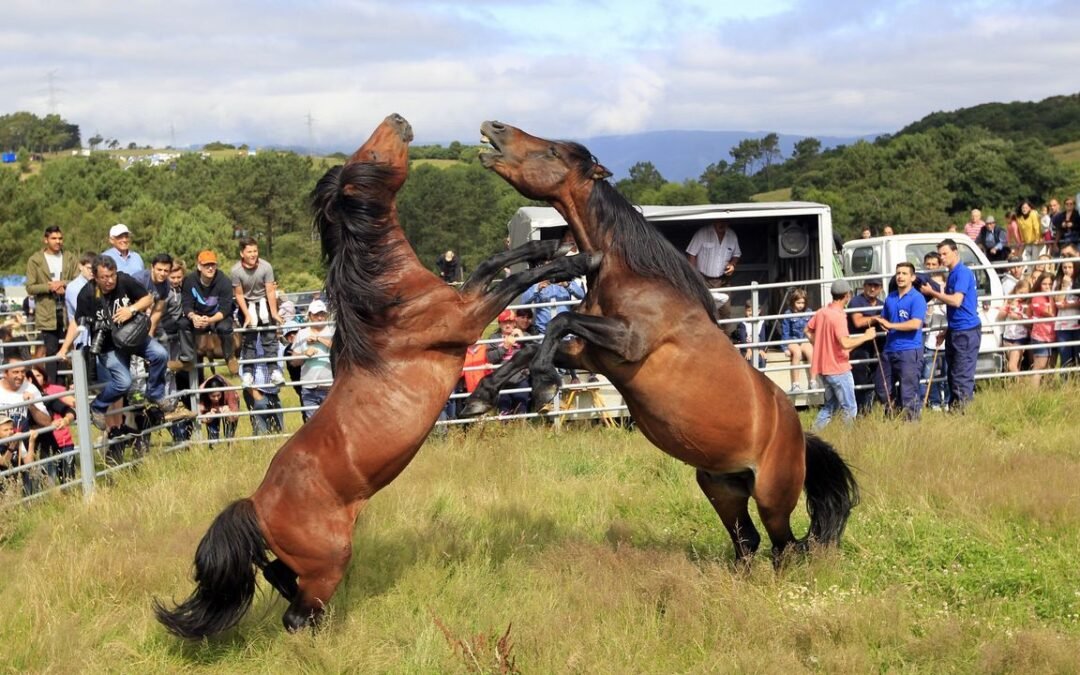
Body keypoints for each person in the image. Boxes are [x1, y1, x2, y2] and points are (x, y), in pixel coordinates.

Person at [57, 255, 174, 430]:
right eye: (104, 277)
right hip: (108, 345)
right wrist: (64, 348)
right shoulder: (87, 294)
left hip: (133, 335)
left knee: (160, 354)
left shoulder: (124, 280)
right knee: (123, 383)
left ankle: (155, 393)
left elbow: (147, 298)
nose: (110, 280)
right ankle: (98, 406)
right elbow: (77, 321)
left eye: (112, 275)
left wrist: (131, 309)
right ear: (95, 277)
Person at [804, 279, 877, 430]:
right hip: (838, 368)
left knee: (830, 406)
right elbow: (845, 343)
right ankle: (847, 439)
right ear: (847, 295)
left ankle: (812, 435)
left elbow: (807, 330)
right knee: (850, 408)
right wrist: (866, 336)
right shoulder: (838, 316)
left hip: (824, 368)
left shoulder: (822, 312)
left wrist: (820, 346)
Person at [921, 239, 982, 411]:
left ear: (956, 252)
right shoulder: (953, 273)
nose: (942, 257)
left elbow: (956, 301)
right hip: (956, 329)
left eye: (945, 253)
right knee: (953, 374)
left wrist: (932, 292)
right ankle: (956, 410)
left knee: (961, 375)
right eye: (940, 254)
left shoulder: (962, 273)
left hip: (966, 331)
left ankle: (963, 412)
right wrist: (947, 330)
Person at [26, 225, 80, 382]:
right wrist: (49, 287)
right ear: (45, 240)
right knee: (50, 350)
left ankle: (64, 385)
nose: (58, 241)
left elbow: (78, 280)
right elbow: (30, 287)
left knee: (66, 348)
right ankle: (51, 386)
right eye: (54, 238)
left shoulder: (70, 257)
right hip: (46, 312)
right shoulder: (35, 260)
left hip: (67, 311)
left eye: (60, 238)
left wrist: (64, 284)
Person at [874, 263, 927, 420]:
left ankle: (911, 426)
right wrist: (881, 322)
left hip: (909, 350)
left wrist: (891, 325)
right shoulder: (890, 297)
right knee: (882, 387)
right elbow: (885, 318)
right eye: (898, 273)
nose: (900, 276)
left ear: (912, 277)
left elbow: (915, 323)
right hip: (890, 349)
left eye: (904, 273)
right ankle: (893, 417)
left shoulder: (917, 298)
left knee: (908, 392)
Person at [231, 238, 284, 388]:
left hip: (264, 302)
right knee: (249, 340)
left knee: (269, 337)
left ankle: (274, 371)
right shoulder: (236, 271)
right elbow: (239, 295)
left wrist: (274, 312)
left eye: (255, 251)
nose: (253, 254)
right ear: (242, 253)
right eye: (249, 251)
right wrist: (246, 314)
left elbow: (270, 290)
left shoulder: (266, 267)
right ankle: (247, 373)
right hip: (247, 305)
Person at [180, 250, 238, 374]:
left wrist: (210, 320)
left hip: (218, 316)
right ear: (199, 266)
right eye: (206, 265)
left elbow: (225, 308)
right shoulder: (190, 281)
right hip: (198, 315)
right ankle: (187, 358)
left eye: (213, 265)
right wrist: (193, 316)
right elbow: (186, 304)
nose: (210, 268)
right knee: (182, 324)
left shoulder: (224, 281)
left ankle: (230, 356)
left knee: (225, 327)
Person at [27, 364, 77, 485]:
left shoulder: (45, 396)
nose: (35, 378)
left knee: (63, 482)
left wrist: (65, 420)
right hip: (29, 447)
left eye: (38, 375)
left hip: (51, 444)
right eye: (32, 376)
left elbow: (69, 410)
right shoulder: (17, 398)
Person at [686, 220, 740, 327]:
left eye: (724, 221)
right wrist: (694, 276)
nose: (722, 224)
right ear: (714, 221)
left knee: (725, 312)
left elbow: (737, 254)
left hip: (724, 280)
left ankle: (725, 338)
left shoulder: (732, 235)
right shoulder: (702, 233)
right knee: (706, 311)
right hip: (704, 279)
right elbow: (691, 254)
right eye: (719, 221)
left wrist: (733, 264)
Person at [290, 300, 335, 422]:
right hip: (309, 386)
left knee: (331, 421)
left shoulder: (332, 330)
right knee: (313, 423)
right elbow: (294, 362)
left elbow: (339, 349)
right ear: (310, 316)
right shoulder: (302, 333)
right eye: (316, 315)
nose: (320, 318)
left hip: (330, 385)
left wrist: (319, 339)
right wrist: (305, 354)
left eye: (322, 314)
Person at [848, 277, 885, 412]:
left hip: (878, 345)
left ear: (880, 288)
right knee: (860, 379)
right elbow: (858, 321)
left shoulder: (882, 304)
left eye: (876, 285)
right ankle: (860, 410)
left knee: (877, 377)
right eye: (870, 285)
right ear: (864, 286)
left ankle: (870, 408)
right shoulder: (856, 301)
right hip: (859, 346)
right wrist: (876, 318)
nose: (872, 288)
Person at [485, 309, 530, 414]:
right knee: (503, 410)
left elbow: (533, 352)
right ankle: (505, 428)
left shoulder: (525, 335)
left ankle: (520, 427)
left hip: (520, 378)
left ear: (515, 323)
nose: (508, 325)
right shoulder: (493, 338)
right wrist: (505, 347)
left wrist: (523, 340)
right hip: (501, 380)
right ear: (500, 324)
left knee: (521, 410)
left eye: (510, 322)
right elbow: (490, 357)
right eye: (505, 322)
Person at [922, 272, 950, 410]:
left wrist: (941, 301)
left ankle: (947, 401)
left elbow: (950, 317)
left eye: (939, 285)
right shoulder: (928, 302)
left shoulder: (947, 302)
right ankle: (934, 401)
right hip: (931, 344)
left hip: (946, 344)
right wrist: (930, 310)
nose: (936, 287)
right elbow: (926, 323)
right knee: (928, 376)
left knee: (947, 374)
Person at [780, 289, 814, 393]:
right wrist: (785, 347)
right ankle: (796, 384)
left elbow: (812, 328)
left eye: (803, 302)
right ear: (793, 302)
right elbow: (785, 332)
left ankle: (813, 381)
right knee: (797, 353)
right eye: (798, 302)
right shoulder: (788, 313)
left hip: (804, 339)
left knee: (811, 353)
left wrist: (813, 342)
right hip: (792, 340)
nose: (800, 305)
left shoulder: (809, 312)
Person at [63, 251, 97, 353]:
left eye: (94, 269)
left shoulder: (97, 284)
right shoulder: (74, 287)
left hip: (95, 338)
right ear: (80, 266)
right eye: (89, 268)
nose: (92, 272)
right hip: (82, 338)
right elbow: (84, 310)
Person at [1028, 273, 1057, 386]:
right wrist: (1051, 297)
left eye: (1050, 284)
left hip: (1053, 336)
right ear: (1039, 285)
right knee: (1039, 366)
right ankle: (1034, 396)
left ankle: (1047, 392)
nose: (1047, 286)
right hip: (1040, 337)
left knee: (1051, 366)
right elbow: (1050, 313)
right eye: (1044, 284)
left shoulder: (1054, 297)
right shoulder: (1037, 298)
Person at [998, 280, 1031, 376]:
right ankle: (1016, 387)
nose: (1022, 296)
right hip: (1008, 336)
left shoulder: (1027, 304)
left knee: (1012, 366)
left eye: (1025, 293)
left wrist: (1016, 316)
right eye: (1021, 293)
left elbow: (1029, 323)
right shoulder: (1009, 300)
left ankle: (1022, 384)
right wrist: (1009, 307)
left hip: (1020, 338)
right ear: (1016, 290)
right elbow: (1000, 316)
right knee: (1014, 366)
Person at [0, 416, 37, 497]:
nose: (10, 432)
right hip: (2, 482)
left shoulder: (18, 441)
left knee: (32, 473)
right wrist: (13, 444)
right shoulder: (13, 442)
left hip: (14, 481)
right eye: (5, 430)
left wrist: (32, 442)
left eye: (11, 429)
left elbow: (29, 462)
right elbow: (4, 463)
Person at [198, 374, 239, 442]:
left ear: (222, 392)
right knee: (213, 434)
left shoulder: (229, 391)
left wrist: (229, 414)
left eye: (218, 395)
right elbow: (199, 417)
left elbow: (235, 416)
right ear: (208, 394)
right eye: (213, 396)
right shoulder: (201, 394)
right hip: (210, 408)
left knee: (230, 434)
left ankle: (230, 447)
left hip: (228, 404)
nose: (216, 398)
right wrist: (208, 417)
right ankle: (213, 447)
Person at [1054, 262, 1080, 369]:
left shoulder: (1078, 281)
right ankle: (1065, 384)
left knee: (1078, 357)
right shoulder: (1058, 282)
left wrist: (1069, 305)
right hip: (1062, 326)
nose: (1067, 270)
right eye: (1064, 267)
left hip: (1077, 324)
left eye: (1070, 267)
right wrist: (1064, 286)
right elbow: (1059, 303)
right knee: (1065, 360)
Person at [733, 299, 766, 368]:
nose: (751, 313)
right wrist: (748, 349)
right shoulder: (743, 323)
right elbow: (742, 338)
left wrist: (761, 349)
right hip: (746, 347)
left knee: (762, 359)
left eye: (753, 311)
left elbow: (762, 336)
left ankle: (761, 376)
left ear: (759, 311)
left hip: (757, 347)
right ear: (745, 311)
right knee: (749, 359)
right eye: (749, 311)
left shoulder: (761, 322)